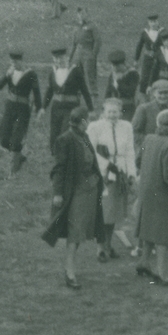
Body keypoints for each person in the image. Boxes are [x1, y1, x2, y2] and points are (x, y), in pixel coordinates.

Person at [41, 107, 100, 290]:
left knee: (80, 230)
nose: (88, 123)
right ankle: (70, 271)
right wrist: (58, 193)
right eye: (87, 120)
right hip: (76, 191)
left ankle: (71, 268)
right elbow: (59, 168)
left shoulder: (84, 136)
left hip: (90, 189)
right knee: (75, 231)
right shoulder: (65, 139)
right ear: (83, 121)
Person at [135, 110, 168, 285]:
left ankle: (144, 262)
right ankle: (161, 272)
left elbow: (138, 160)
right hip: (161, 192)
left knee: (148, 226)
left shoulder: (148, 139)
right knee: (163, 231)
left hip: (146, 189)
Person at [87, 98, 137, 261]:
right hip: (102, 173)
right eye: (109, 111)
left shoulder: (126, 127)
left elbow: (130, 151)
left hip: (119, 173)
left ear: (120, 112)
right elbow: (90, 151)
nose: (112, 115)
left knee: (114, 212)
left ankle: (108, 244)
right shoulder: (95, 127)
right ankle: (100, 248)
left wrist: (131, 173)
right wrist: (106, 165)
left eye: (115, 112)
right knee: (104, 212)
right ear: (103, 112)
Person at [0, 49, 44, 177]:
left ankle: (14, 167)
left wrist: (39, 109)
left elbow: (36, 92)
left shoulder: (30, 74)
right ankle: (20, 157)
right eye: (12, 62)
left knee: (17, 139)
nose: (14, 64)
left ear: (22, 61)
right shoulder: (10, 72)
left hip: (23, 108)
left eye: (16, 62)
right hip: (10, 106)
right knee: (3, 137)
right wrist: (6, 76)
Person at [42, 46, 94, 154]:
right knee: (54, 135)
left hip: (71, 108)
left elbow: (85, 90)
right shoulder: (53, 72)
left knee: (65, 132)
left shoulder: (75, 71)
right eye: (55, 59)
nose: (58, 61)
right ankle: (57, 158)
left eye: (60, 58)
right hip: (56, 108)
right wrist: (43, 107)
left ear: (66, 57)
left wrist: (91, 109)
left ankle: (67, 157)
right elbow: (49, 91)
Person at [131, 80, 168, 153]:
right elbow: (134, 132)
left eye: (166, 93)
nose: (163, 96)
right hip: (149, 151)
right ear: (154, 93)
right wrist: (151, 143)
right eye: (160, 93)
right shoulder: (144, 109)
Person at [69, 7, 102, 99]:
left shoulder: (92, 26)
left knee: (90, 75)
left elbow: (98, 41)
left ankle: (94, 97)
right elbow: (74, 44)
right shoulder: (77, 27)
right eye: (79, 14)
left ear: (87, 14)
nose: (81, 15)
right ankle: (77, 96)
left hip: (88, 52)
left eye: (83, 13)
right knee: (77, 75)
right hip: (78, 53)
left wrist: (93, 54)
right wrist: (70, 57)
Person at [103, 49, 141, 121]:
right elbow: (108, 90)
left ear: (123, 64)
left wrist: (118, 82)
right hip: (114, 104)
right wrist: (105, 104)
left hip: (128, 104)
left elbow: (130, 91)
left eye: (117, 66)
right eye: (113, 66)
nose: (114, 68)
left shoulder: (133, 73)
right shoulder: (113, 74)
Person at [134, 14, 163, 94]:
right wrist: (136, 59)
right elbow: (139, 46)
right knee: (144, 79)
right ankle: (143, 98)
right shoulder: (145, 33)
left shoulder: (162, 32)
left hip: (158, 59)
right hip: (147, 59)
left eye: (155, 21)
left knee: (157, 77)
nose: (153, 24)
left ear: (158, 22)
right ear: (148, 23)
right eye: (151, 22)